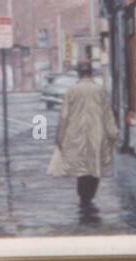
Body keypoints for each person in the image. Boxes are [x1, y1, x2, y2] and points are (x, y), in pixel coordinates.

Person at [47, 60, 118, 217]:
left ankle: (83, 197)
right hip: (96, 133)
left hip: (76, 134)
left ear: (79, 73)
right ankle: (89, 196)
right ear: (91, 73)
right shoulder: (99, 91)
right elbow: (107, 115)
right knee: (94, 165)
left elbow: (64, 116)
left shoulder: (72, 91)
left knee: (81, 167)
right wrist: (113, 134)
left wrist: (60, 136)